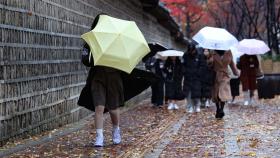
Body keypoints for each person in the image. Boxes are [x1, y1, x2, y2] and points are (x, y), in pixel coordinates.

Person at [206, 50, 239, 119]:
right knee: (216, 94)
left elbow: (231, 63)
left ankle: (222, 109)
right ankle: (218, 108)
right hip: (215, 75)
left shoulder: (229, 52)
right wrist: (210, 60)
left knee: (223, 92)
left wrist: (236, 72)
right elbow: (208, 65)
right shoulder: (213, 52)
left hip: (225, 75)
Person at [182, 44, 203, 113]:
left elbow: (202, 65)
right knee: (188, 93)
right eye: (190, 51)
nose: (191, 52)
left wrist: (198, 73)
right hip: (188, 77)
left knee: (196, 92)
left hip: (196, 77)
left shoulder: (199, 55)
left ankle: (197, 105)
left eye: (193, 50)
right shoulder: (185, 55)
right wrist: (185, 72)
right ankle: (190, 106)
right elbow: (183, 65)